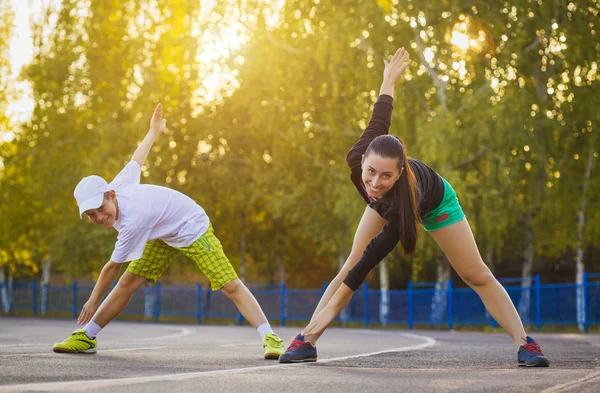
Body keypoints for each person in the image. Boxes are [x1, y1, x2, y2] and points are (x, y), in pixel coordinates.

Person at [278, 47, 549, 367]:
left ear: (400, 172)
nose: (375, 182)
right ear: (363, 161)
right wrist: (388, 81)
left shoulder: (404, 205)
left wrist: (327, 316)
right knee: (349, 261)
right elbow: (381, 114)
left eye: (386, 176)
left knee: (475, 275)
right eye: (371, 172)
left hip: (434, 203)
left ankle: (525, 344)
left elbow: (364, 270)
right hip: (387, 206)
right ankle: (307, 342)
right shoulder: (359, 159)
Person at [52, 104, 284, 359]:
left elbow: (111, 268)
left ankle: (271, 338)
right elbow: (136, 160)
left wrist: (93, 300)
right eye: (91, 215)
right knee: (128, 283)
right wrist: (154, 132)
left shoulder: (133, 220)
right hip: (161, 231)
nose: (100, 217)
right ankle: (88, 336)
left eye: (101, 208)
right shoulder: (119, 185)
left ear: (111, 195)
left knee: (229, 285)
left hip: (190, 226)